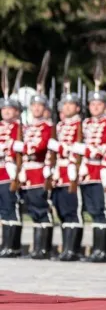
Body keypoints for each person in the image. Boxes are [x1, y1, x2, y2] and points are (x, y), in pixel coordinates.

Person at [75, 85, 106, 262]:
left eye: (99, 104)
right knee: (91, 210)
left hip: (100, 171)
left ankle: (103, 250)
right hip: (86, 173)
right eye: (92, 104)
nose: (95, 107)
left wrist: (89, 151)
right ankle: (96, 249)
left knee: (101, 210)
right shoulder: (86, 124)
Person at [15, 86, 55, 259]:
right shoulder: (27, 127)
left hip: (39, 170)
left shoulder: (46, 126)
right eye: (34, 106)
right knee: (32, 210)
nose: (36, 109)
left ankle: (44, 248)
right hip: (27, 171)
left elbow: (40, 146)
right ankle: (37, 247)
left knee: (41, 209)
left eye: (39, 106)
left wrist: (22, 148)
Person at [49, 89, 84, 260]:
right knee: (62, 212)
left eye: (71, 104)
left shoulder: (82, 125)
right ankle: (66, 248)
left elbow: (79, 148)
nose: (67, 107)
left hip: (73, 172)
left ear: (77, 108)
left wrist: (61, 148)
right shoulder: (60, 126)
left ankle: (73, 249)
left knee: (72, 211)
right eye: (65, 104)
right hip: (59, 173)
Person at [0, 90, 23, 257]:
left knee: (10, 209)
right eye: (4, 109)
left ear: (16, 111)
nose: (6, 111)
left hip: (10, 172)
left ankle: (12, 246)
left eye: (10, 109)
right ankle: (4, 244)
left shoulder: (19, 128)